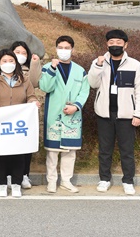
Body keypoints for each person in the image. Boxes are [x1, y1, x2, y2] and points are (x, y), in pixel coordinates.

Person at [88, 29, 140, 195]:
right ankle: (104, 179)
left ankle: (128, 180)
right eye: (111, 43)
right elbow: (92, 83)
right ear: (107, 44)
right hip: (104, 114)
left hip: (127, 116)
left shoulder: (135, 65)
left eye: (118, 43)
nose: (115, 46)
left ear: (125, 45)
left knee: (127, 151)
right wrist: (98, 66)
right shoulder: (99, 61)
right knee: (105, 150)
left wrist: (139, 114)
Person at [0, 49, 40, 198]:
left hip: (18, 123)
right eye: (4, 61)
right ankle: (1, 185)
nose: (8, 64)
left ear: (16, 63)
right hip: (0, 123)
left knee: (18, 155)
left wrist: (34, 102)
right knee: (1, 156)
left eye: (11, 61)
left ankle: (16, 184)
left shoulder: (24, 79)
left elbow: (31, 96)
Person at [39, 35, 90, 194]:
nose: (63, 51)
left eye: (67, 48)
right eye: (60, 48)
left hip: (72, 115)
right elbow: (45, 87)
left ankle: (66, 181)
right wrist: (53, 69)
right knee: (52, 152)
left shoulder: (80, 70)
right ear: (55, 49)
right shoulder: (48, 67)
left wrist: (76, 106)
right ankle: (52, 181)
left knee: (70, 151)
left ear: (72, 50)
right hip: (54, 115)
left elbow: (84, 91)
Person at [10, 41, 41, 189]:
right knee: (9, 146)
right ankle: (9, 175)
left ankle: (24, 175)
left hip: (25, 115)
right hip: (8, 115)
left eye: (24, 53)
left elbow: (35, 83)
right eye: (17, 52)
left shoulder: (28, 70)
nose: (20, 55)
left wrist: (35, 64)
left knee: (25, 146)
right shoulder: (3, 70)